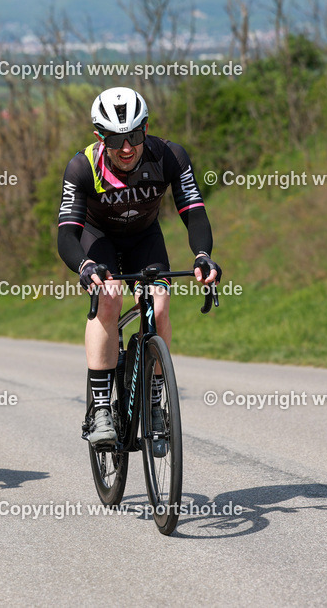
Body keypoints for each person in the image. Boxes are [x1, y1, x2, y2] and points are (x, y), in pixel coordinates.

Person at [57, 87, 221, 448]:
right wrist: (84, 266)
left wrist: (202, 255)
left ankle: (155, 402)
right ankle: (101, 410)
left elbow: (193, 209)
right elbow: (68, 233)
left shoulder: (169, 156)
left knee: (159, 304)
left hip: (144, 238)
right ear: (100, 137)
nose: (127, 147)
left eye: (134, 135)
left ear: (145, 129)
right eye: (116, 139)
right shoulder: (82, 167)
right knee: (110, 296)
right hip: (98, 240)